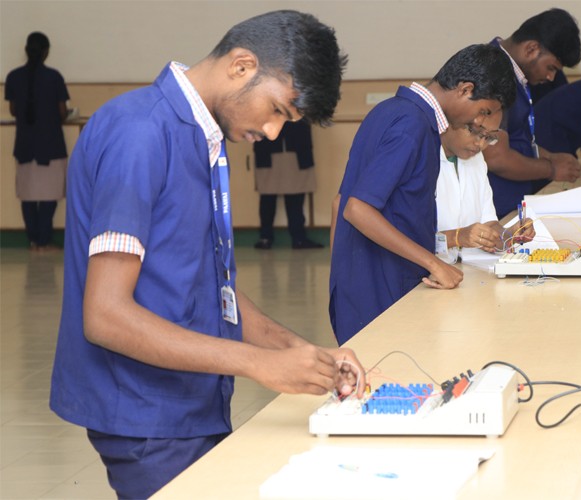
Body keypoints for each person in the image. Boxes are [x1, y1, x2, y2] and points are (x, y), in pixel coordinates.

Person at [49, 11, 364, 499]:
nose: (276, 132)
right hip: (146, 417)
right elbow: (106, 316)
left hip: (192, 403)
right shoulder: (141, 133)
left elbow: (213, 290)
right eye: (278, 109)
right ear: (242, 65)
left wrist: (300, 353)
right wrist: (256, 365)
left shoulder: (202, 137)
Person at [329, 43, 516, 346]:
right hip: (378, 288)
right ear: (465, 89)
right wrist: (433, 262)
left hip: (371, 282)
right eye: (483, 113)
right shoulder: (411, 123)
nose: (480, 125)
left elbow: (343, 201)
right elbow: (356, 208)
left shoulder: (394, 111)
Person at [483, 8, 581, 221]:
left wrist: (549, 156)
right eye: (551, 67)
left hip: (510, 208)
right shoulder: (495, 73)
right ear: (531, 49)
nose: (551, 77)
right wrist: (551, 169)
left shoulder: (513, 73)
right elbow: (497, 158)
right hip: (494, 215)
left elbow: (516, 140)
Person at [4, 32, 69, 251]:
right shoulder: (54, 77)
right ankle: (45, 239)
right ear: (46, 52)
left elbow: (13, 110)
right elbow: (62, 112)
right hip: (50, 145)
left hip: (25, 145)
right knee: (51, 194)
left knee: (28, 196)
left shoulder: (13, 77)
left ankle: (33, 240)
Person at [436, 123, 535, 255]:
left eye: (489, 137)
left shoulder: (475, 157)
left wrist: (510, 235)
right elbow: (408, 239)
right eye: (475, 132)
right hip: (425, 272)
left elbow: (489, 225)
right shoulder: (422, 157)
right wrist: (456, 237)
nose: (481, 144)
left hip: (468, 269)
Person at [253, 120, 324, 249]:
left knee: (294, 198)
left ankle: (297, 238)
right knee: (268, 198)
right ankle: (267, 237)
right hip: (268, 149)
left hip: (296, 149)